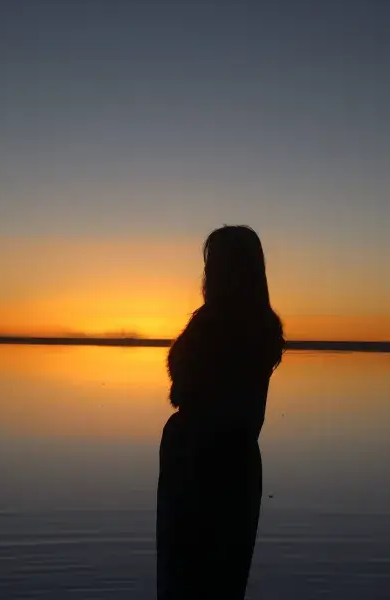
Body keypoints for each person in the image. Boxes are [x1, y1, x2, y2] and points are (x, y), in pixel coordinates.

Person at [156, 225, 285, 600]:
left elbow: (183, 387)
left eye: (212, 264)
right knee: (225, 583)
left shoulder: (214, 326)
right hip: (238, 466)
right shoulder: (263, 327)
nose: (206, 273)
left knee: (184, 582)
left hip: (200, 465)